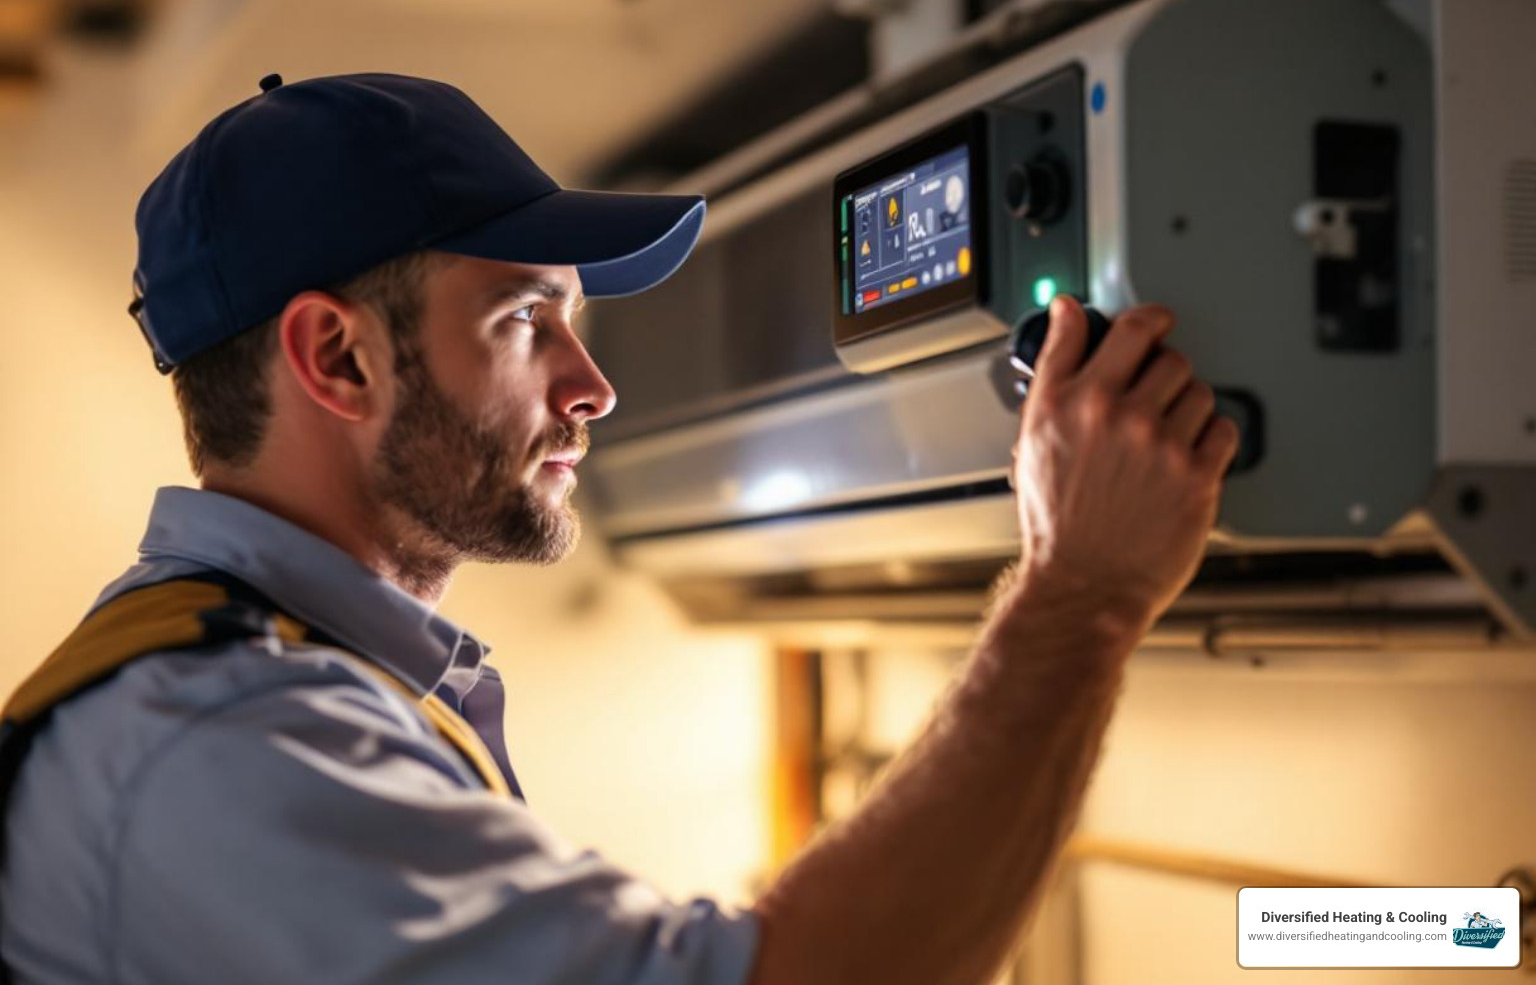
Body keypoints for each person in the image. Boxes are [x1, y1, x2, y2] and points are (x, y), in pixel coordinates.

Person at [0, 72, 1237, 985]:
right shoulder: (231, 743)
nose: (592, 386)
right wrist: (1081, 590)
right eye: (526, 318)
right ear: (338, 356)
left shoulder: (262, 683)